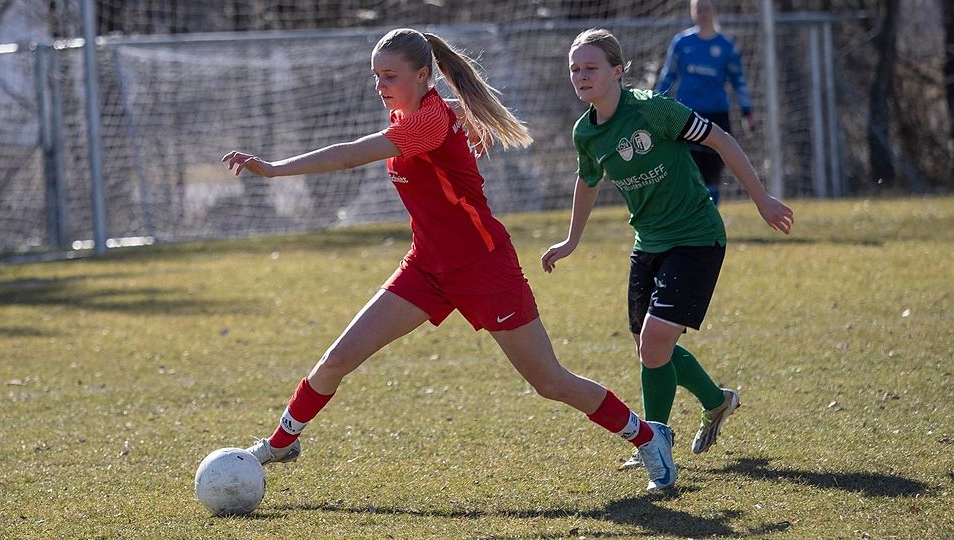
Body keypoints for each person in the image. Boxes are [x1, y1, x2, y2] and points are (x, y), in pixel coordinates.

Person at [221, 28, 677, 491]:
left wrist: (275, 168)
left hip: (484, 268)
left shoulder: (423, 124)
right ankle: (282, 442)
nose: (381, 86)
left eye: (391, 76)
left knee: (550, 382)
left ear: (423, 76)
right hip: (426, 267)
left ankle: (647, 436)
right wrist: (470, 121)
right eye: (376, 76)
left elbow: (349, 156)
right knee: (338, 358)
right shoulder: (431, 112)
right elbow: (456, 112)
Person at [542, 29, 793, 470]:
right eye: (575, 69)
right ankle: (716, 403)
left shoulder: (654, 110)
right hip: (649, 242)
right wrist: (571, 240)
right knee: (648, 348)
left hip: (696, 236)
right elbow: (588, 180)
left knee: (656, 343)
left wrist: (762, 199)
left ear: (618, 71)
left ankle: (654, 440)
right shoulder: (587, 132)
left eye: (591, 68)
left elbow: (721, 139)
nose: (581, 76)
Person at [654, 0, 754, 205]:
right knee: (688, 168)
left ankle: (711, 215)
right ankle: (689, 216)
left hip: (717, 114)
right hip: (687, 114)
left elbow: (739, 81)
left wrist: (747, 110)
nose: (703, 13)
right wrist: (655, 103)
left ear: (714, 11)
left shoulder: (726, 46)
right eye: (698, 9)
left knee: (713, 171)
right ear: (692, 12)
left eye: (706, 8)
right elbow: (668, 75)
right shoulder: (681, 42)